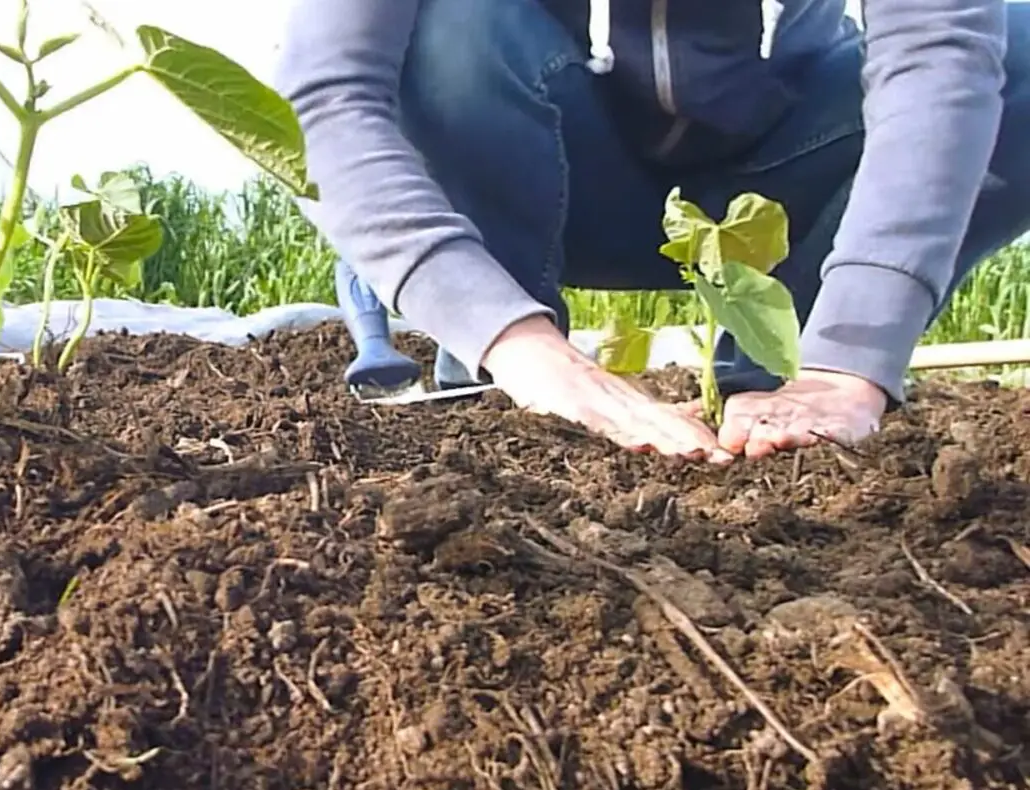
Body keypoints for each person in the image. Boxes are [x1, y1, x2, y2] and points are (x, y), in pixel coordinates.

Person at [274, 0, 1030, 463]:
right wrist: (517, 343)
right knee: (451, 21)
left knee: (1019, 47)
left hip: (784, 173)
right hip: (564, 173)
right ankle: (498, 391)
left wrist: (851, 357)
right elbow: (331, 92)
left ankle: (782, 386)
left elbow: (940, 56)